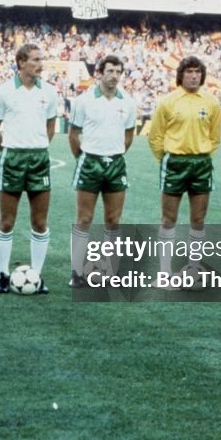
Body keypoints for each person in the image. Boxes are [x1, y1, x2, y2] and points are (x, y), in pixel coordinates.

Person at [0, 43, 58, 294]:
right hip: (12, 159)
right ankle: (3, 275)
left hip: (39, 159)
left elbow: (50, 126)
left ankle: (37, 276)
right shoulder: (4, 91)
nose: (40, 64)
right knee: (6, 221)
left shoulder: (49, 92)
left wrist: (37, 145)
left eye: (42, 59)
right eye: (35, 59)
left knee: (40, 222)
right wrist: (9, 151)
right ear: (21, 62)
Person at [147, 55, 221, 285]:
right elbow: (155, 137)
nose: (193, 76)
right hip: (174, 164)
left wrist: (202, 155)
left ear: (202, 75)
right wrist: (167, 158)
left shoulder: (211, 102)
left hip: (201, 164)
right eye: (189, 71)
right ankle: (164, 272)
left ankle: (194, 267)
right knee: (169, 219)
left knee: (198, 219)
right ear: (181, 75)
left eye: (197, 72)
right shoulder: (168, 102)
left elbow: (215, 138)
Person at [68, 55, 137, 287]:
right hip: (89, 163)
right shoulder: (84, 101)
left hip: (116, 164)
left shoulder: (127, 102)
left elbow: (129, 135)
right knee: (84, 218)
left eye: (118, 71)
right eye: (110, 71)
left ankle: (111, 271)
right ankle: (77, 271)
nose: (114, 76)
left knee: (113, 220)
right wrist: (84, 157)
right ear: (99, 73)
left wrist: (114, 152)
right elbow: (74, 134)